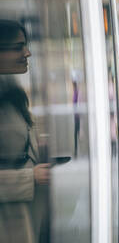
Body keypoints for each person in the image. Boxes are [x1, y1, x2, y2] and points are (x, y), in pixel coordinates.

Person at [0, 19, 50, 243]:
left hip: (22, 217)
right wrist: (30, 177)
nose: (27, 53)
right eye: (18, 46)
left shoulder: (10, 91)